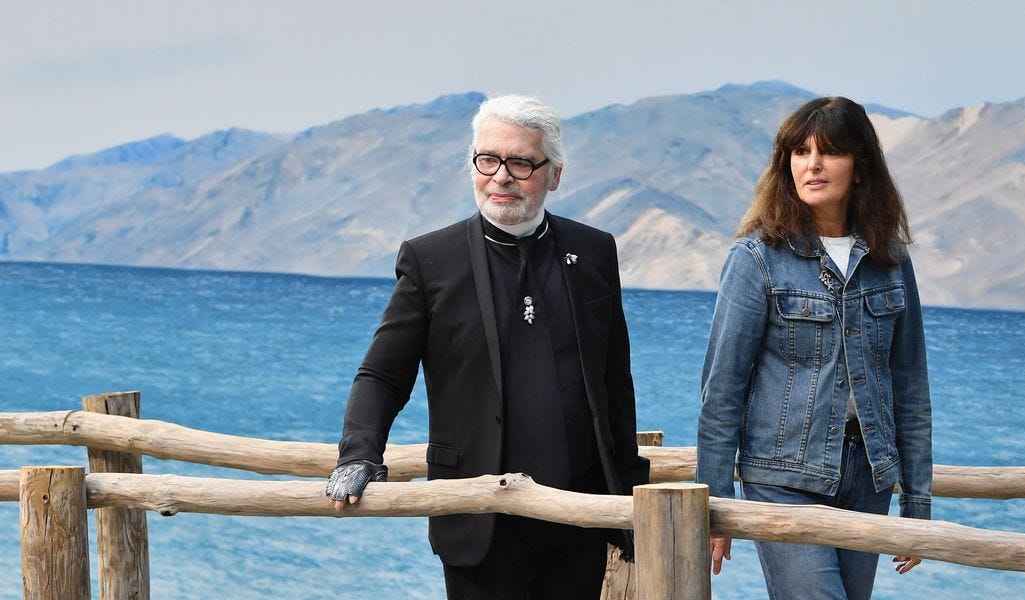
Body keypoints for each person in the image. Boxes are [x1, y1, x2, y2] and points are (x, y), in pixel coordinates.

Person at [325, 94, 649, 599]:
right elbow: (383, 375)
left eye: (520, 162)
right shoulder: (431, 260)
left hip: (577, 515)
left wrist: (631, 500)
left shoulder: (593, 251)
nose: (501, 176)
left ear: (554, 174)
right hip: (475, 515)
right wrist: (358, 455)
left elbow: (614, 381)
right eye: (488, 160)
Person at [695, 96, 932, 599]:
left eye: (829, 153)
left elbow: (909, 385)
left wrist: (918, 500)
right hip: (783, 477)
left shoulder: (890, 259)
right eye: (800, 153)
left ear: (861, 168)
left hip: (869, 479)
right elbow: (722, 389)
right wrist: (715, 503)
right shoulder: (757, 258)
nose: (813, 165)